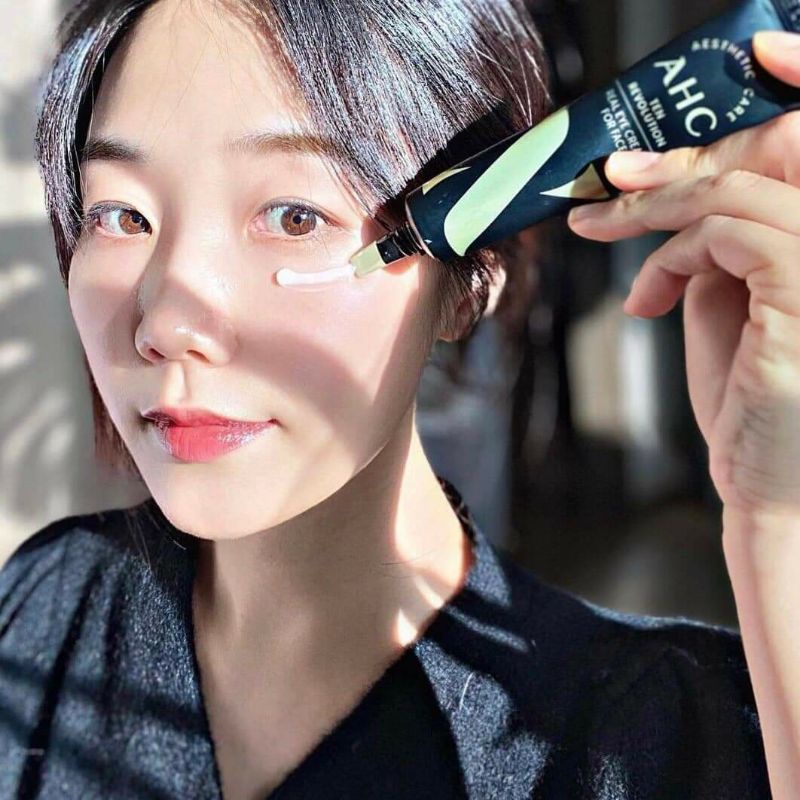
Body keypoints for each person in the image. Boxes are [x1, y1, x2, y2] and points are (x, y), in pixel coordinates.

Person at [2, 0, 799, 796]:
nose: (167, 325)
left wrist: (779, 525)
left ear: (472, 283)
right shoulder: (46, 606)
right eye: (120, 214)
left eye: (294, 216)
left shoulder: (682, 740)